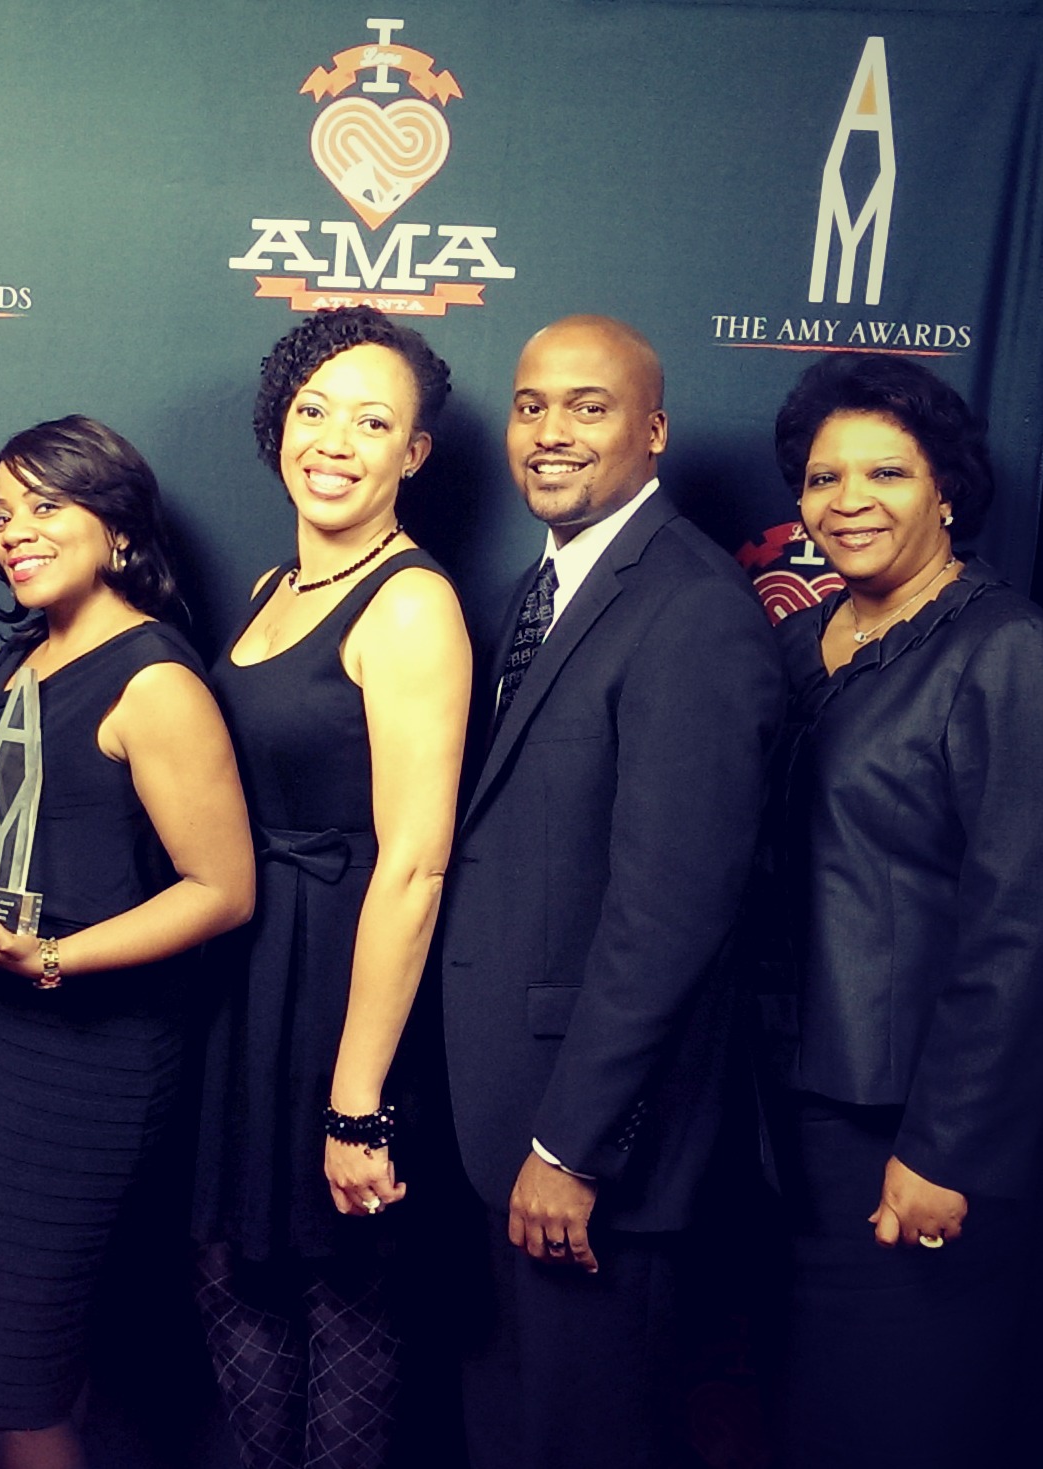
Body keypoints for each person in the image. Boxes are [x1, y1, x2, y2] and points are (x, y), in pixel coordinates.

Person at [438, 316, 782, 1469]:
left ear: (655, 430)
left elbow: (670, 916)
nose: (550, 431)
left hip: (590, 1153)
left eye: (589, 406)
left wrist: (574, 1146)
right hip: (495, 1122)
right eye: (531, 404)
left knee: (584, 1439)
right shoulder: (529, 595)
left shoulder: (694, 608)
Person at [0, 415, 255, 1469]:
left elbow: (223, 889)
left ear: (118, 524)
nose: (13, 531)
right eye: (2, 513)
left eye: (46, 505)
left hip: (87, 1059)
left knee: (13, 1379)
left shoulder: (154, 680)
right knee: (30, 1360)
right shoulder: (23, 657)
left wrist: (54, 957)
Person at [190, 307, 470, 1469]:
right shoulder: (273, 585)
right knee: (237, 1282)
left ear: (415, 451)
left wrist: (358, 1100)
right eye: (313, 411)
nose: (334, 442)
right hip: (245, 984)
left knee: (344, 1297)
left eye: (372, 421)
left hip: (343, 994)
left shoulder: (410, 603)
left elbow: (413, 862)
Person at [752, 355, 1043, 1469]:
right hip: (781, 1114)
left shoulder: (1002, 647)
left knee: (883, 1421)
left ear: (947, 490)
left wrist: (945, 1148)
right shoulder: (797, 642)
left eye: (887, 472)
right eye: (824, 477)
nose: (849, 500)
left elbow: (1019, 922)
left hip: (904, 1128)